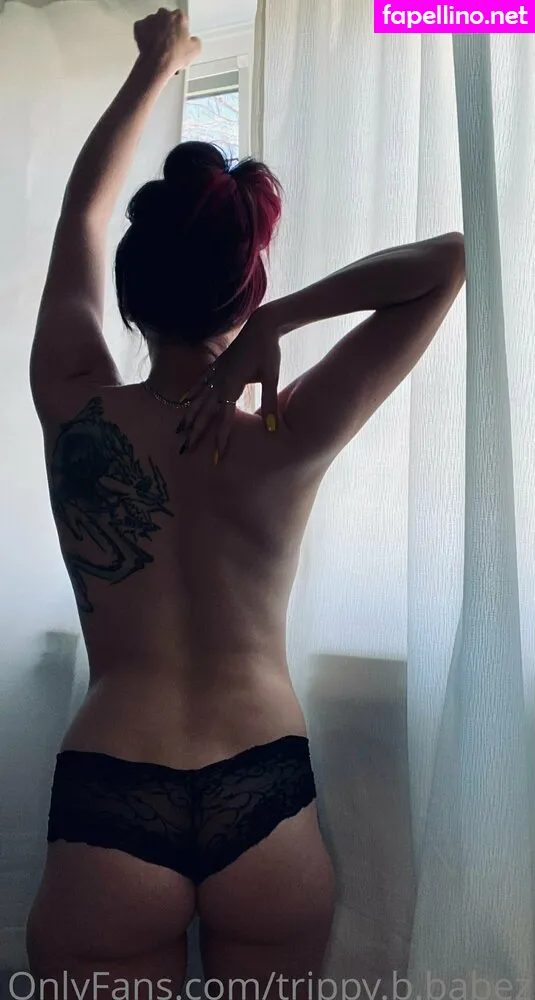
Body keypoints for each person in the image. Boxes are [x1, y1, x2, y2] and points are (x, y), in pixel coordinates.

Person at [26, 6, 465, 993]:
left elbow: (82, 217)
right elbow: (446, 260)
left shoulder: (76, 406)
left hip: (113, 785)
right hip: (262, 787)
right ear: (245, 291)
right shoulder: (283, 434)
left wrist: (155, 67)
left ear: (132, 295)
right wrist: (283, 318)